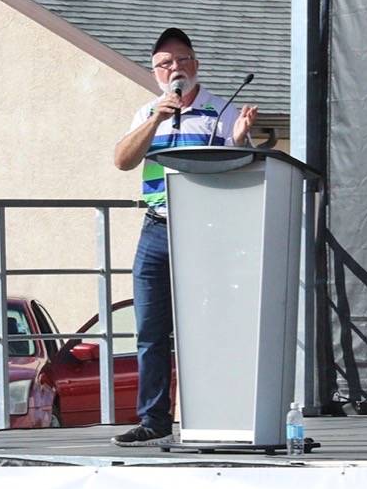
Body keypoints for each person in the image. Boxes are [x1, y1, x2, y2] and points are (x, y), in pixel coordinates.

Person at [111, 28, 258, 446]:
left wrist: (240, 137)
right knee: (150, 330)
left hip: (206, 231)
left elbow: (238, 163)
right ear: (156, 73)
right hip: (156, 228)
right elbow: (122, 161)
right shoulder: (146, 114)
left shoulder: (221, 109)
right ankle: (154, 419)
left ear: (196, 65)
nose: (175, 69)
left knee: (209, 326)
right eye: (165, 64)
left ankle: (217, 414)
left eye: (182, 60)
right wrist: (158, 116)